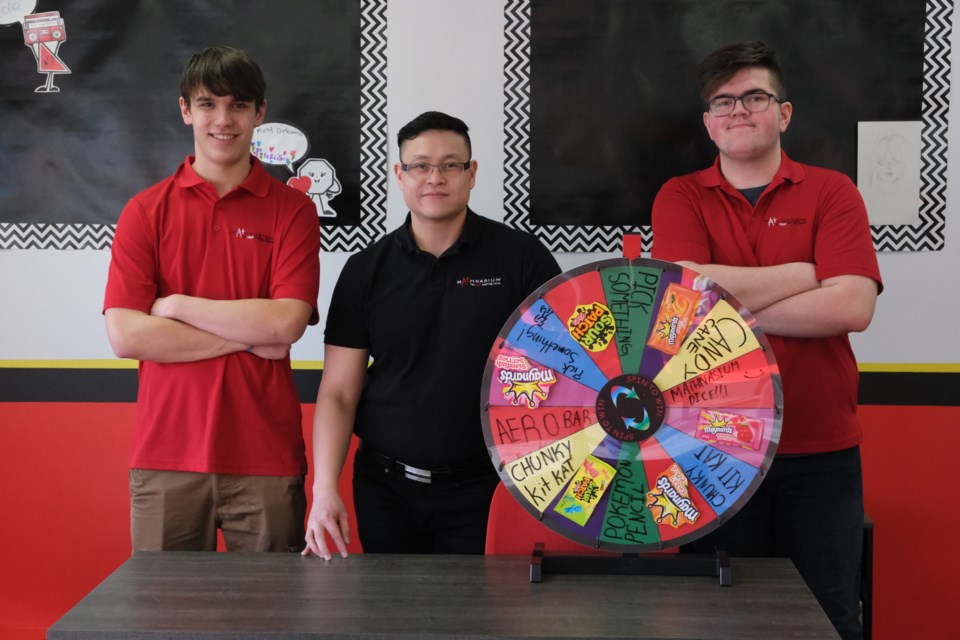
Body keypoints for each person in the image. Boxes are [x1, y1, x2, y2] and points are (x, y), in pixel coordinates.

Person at [651, 42, 881, 640]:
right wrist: (809, 274)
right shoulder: (679, 196)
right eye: (723, 101)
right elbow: (685, 303)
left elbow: (853, 307)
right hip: (708, 446)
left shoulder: (832, 191)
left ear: (783, 113)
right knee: (713, 620)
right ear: (708, 122)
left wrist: (728, 305)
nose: (738, 111)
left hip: (820, 447)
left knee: (830, 615)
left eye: (755, 97)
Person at [303, 111, 561, 558]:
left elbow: (567, 370)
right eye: (420, 165)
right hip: (386, 490)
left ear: (472, 173)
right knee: (391, 622)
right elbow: (339, 393)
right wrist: (323, 489)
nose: (434, 177)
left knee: (479, 623)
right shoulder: (366, 269)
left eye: (450, 164)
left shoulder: (522, 260)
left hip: (492, 485)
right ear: (400, 176)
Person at [103, 46, 321, 552]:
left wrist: (176, 305)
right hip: (165, 456)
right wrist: (249, 338)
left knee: (270, 623)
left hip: (266, 456)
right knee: (165, 622)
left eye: (238, 105)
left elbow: (285, 326)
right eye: (208, 104)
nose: (223, 120)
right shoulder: (145, 211)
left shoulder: (294, 211)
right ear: (185, 110)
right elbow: (126, 335)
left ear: (259, 114)